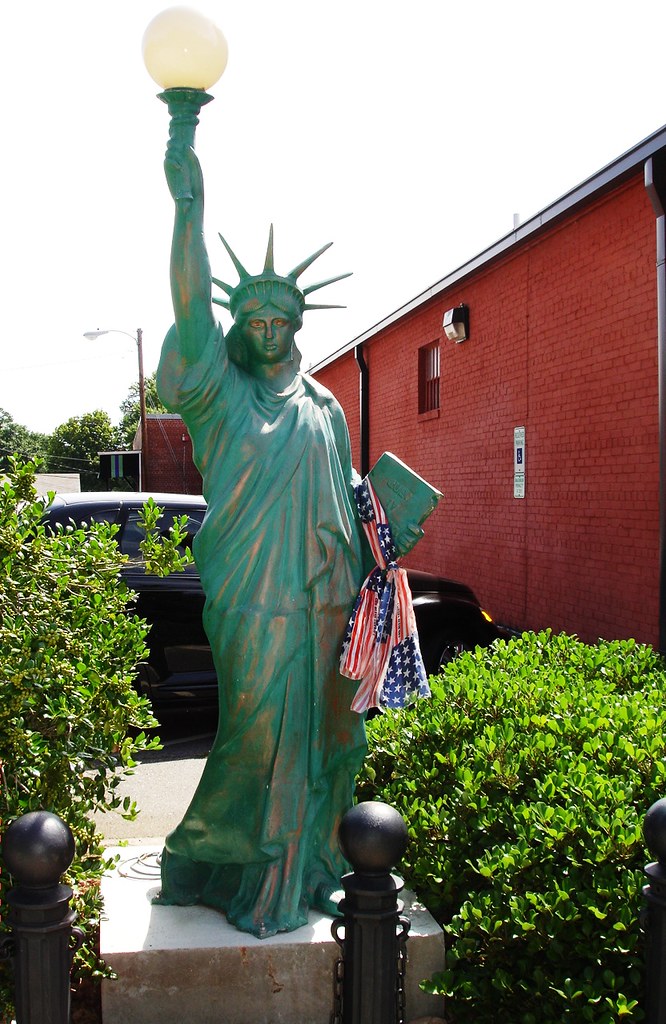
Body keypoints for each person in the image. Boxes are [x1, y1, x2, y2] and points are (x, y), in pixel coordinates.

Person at [154, 130, 369, 939]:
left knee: (322, 739)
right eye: (255, 317)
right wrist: (188, 202)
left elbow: (347, 499)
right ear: (236, 325)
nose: (270, 330)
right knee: (251, 738)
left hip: (324, 601)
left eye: (283, 319)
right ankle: (215, 861)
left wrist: (384, 539)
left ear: (299, 324)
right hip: (249, 599)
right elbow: (189, 306)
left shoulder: (326, 407)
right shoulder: (218, 393)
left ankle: (308, 869)